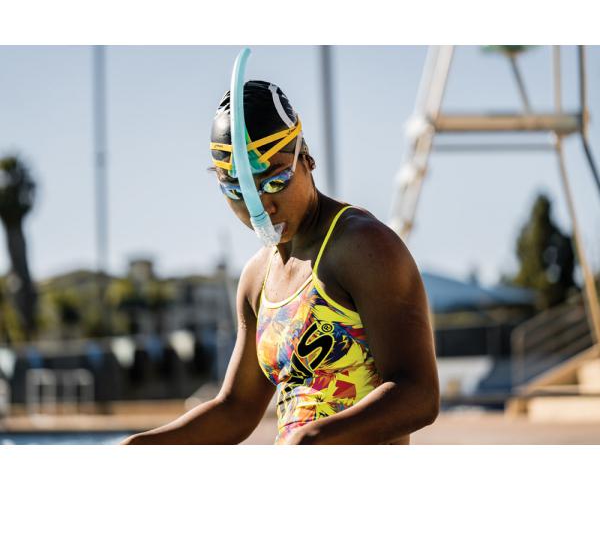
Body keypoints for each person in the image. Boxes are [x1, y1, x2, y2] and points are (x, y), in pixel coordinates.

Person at [121, 80, 439, 445]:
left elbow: (419, 395)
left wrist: (311, 440)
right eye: (238, 192)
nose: (261, 207)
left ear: (307, 159)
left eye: (274, 183)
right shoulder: (257, 278)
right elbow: (236, 409)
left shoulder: (362, 246)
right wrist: (140, 446)